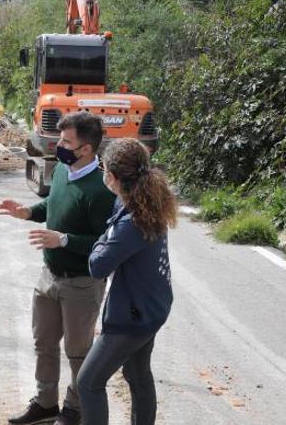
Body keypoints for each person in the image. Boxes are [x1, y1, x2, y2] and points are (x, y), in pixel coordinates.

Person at [0, 112, 115, 425]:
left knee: (78, 352)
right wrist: (27, 212)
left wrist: (63, 240)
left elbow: (103, 244)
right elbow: (52, 205)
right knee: (44, 344)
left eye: (66, 141)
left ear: (86, 149)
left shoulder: (101, 190)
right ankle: (46, 403)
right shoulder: (63, 170)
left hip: (81, 283)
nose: (59, 145)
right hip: (48, 276)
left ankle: (74, 409)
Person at [76, 138, 177, 425]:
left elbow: (98, 266)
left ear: (114, 177)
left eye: (103, 168)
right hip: (151, 308)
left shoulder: (133, 220)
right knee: (137, 373)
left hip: (132, 317)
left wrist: (100, 241)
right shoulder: (141, 202)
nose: (102, 173)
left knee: (89, 382)